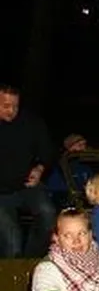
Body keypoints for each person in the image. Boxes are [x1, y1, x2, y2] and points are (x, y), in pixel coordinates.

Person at [0, 84, 55, 259]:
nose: (11, 111)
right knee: (12, 237)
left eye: (15, 106)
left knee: (48, 214)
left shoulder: (31, 122)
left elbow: (47, 152)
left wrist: (39, 168)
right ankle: (11, 276)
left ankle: (31, 261)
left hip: (27, 186)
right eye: (6, 106)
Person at [45, 133, 92, 203]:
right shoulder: (60, 164)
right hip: (64, 197)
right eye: (79, 145)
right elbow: (56, 191)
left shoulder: (86, 164)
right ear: (69, 147)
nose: (83, 148)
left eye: (84, 145)